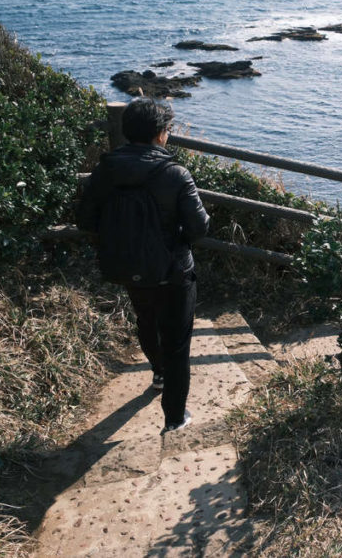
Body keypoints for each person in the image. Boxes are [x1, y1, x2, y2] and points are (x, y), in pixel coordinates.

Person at [76, 100, 210, 434]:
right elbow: (199, 227)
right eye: (168, 130)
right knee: (178, 342)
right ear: (160, 135)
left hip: (128, 266)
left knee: (146, 320)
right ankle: (175, 417)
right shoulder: (175, 174)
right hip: (173, 271)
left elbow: (84, 220)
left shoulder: (105, 170)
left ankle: (159, 373)